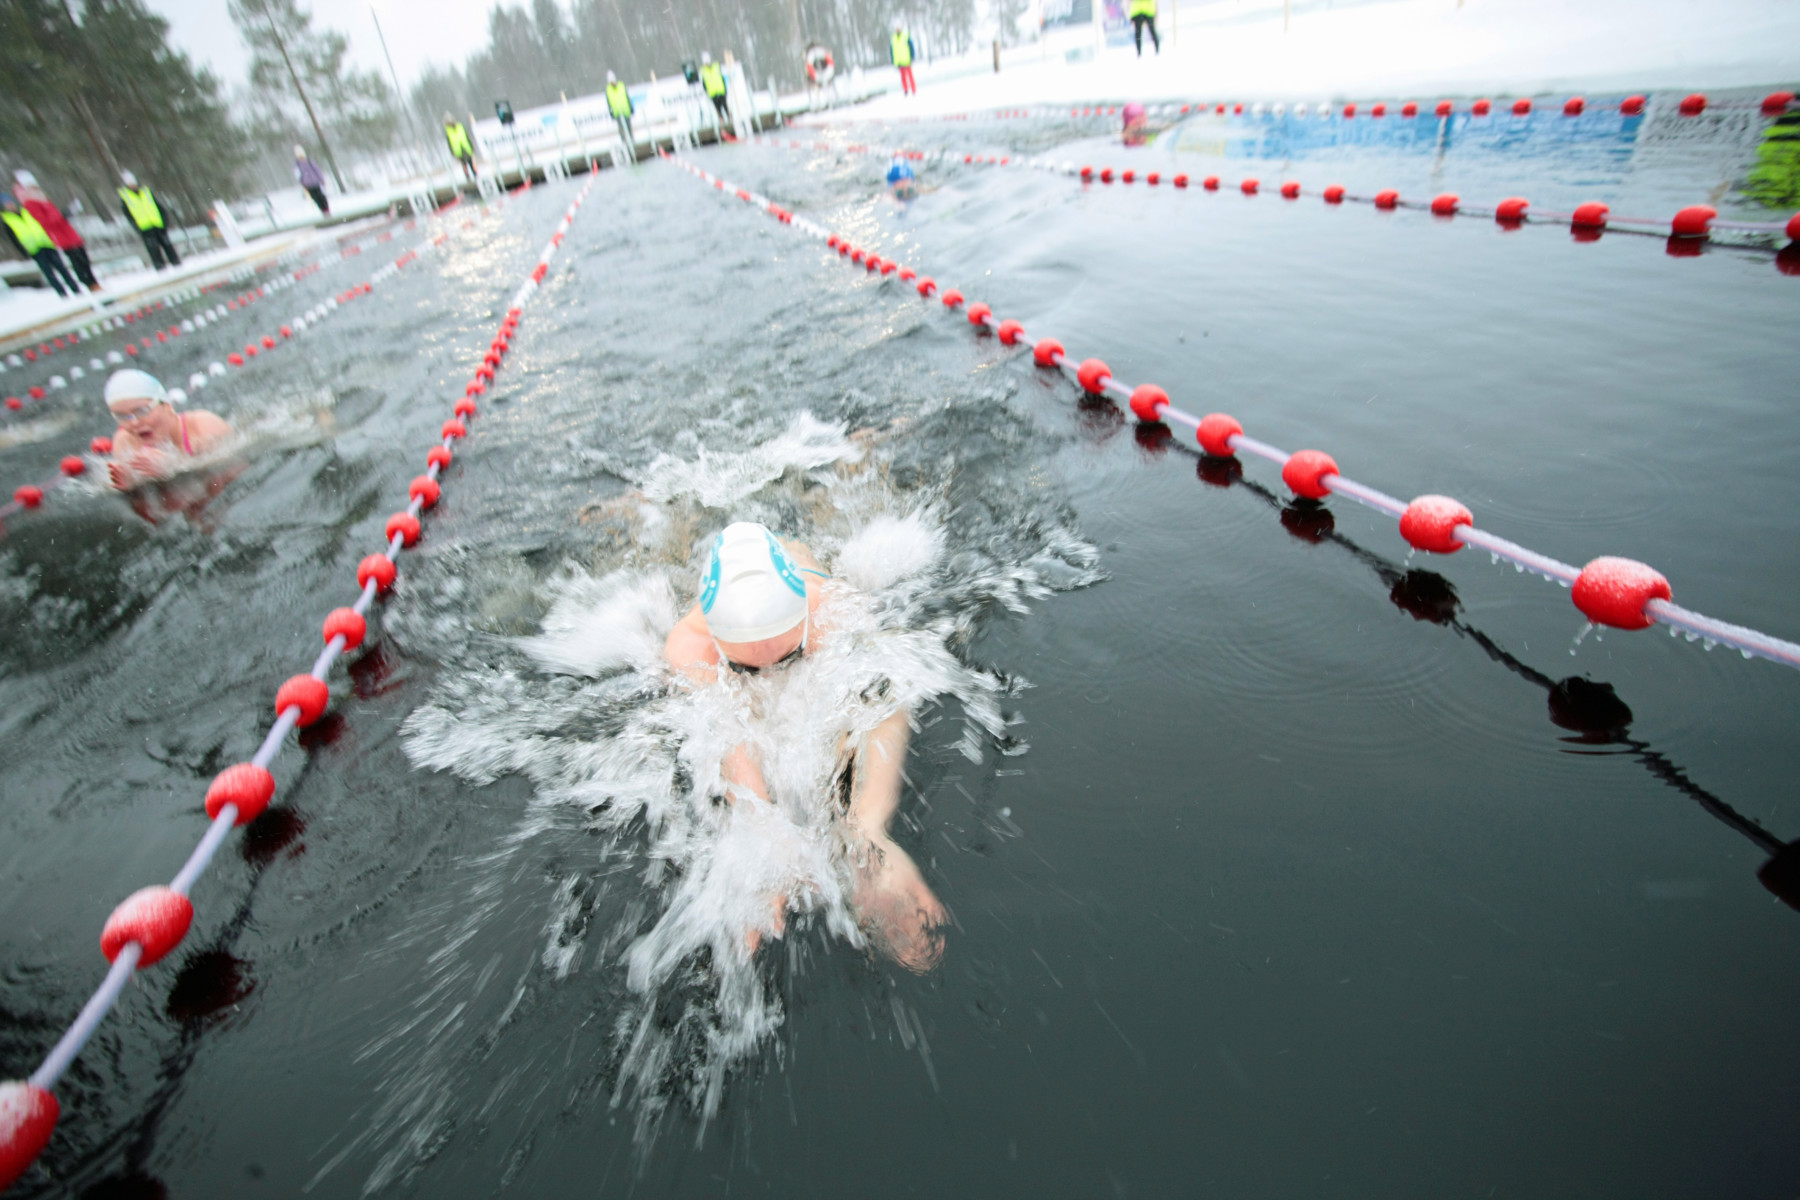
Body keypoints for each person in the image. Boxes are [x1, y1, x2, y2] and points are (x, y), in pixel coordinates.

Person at [663, 521, 949, 971]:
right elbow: (730, 742)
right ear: (718, 645)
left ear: (805, 618)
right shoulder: (688, 647)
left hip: (804, 563)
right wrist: (766, 836)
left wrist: (868, 829)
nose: (774, 675)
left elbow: (883, 705)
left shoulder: (832, 609)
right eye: (748, 670)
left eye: (790, 657)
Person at [102, 369, 232, 490]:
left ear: (167, 405)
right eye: (122, 416)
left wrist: (172, 465)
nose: (134, 422)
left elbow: (233, 470)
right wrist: (133, 484)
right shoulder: (125, 443)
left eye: (142, 411)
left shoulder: (204, 426)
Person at [13, 171, 100, 292]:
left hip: (68, 232)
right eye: (31, 186)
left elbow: (55, 216)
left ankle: (94, 284)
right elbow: (45, 222)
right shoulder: (30, 203)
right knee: (78, 262)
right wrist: (63, 216)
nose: (35, 187)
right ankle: (91, 285)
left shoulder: (43, 199)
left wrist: (66, 214)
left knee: (84, 260)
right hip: (60, 236)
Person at [1, 192, 80, 298]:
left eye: (10, 203)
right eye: (7, 204)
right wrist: (24, 253)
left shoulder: (26, 212)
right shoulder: (8, 220)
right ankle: (62, 293)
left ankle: (75, 289)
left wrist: (52, 238)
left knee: (62, 268)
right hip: (34, 249)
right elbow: (14, 240)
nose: (10, 206)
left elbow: (43, 224)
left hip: (47, 243)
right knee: (49, 273)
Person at [118, 171, 180, 270]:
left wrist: (164, 220)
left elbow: (157, 205)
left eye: (133, 183)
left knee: (168, 245)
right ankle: (161, 269)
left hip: (157, 223)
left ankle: (176, 264)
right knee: (153, 249)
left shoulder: (146, 191)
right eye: (130, 184)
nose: (133, 186)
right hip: (144, 227)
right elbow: (128, 215)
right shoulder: (125, 196)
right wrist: (136, 226)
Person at [605, 72, 635, 162]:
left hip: (626, 111)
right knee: (622, 131)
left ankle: (632, 144)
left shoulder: (622, 86)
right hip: (617, 113)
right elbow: (609, 103)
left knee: (629, 129)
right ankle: (625, 146)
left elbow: (627, 97)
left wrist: (631, 108)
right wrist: (612, 114)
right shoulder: (608, 90)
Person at [699, 52, 730, 128]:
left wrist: (725, 89)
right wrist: (707, 92)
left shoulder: (716, 67)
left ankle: (731, 122)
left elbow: (722, 78)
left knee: (726, 108)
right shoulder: (703, 71)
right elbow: (704, 84)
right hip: (713, 94)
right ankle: (723, 125)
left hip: (721, 91)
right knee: (718, 111)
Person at [294, 147, 329, 214]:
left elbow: (317, 170)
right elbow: (298, 175)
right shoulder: (297, 164)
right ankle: (323, 211)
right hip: (308, 185)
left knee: (321, 196)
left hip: (315, 182)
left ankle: (327, 210)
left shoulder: (309, 161)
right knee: (315, 198)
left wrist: (321, 179)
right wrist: (302, 183)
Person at [443, 114, 477, 181]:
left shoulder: (460, 127)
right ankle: (468, 178)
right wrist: (453, 154)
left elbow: (466, 136)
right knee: (464, 165)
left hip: (466, 148)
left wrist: (471, 145)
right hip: (459, 151)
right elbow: (449, 144)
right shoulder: (448, 132)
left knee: (471, 163)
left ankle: (476, 175)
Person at [890, 25, 917, 96]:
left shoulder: (905, 36)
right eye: (896, 28)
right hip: (899, 61)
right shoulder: (893, 39)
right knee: (903, 77)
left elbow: (911, 46)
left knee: (910, 76)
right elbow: (892, 51)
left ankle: (913, 90)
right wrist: (893, 60)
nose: (897, 29)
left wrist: (913, 55)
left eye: (898, 28)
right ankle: (905, 90)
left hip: (907, 59)